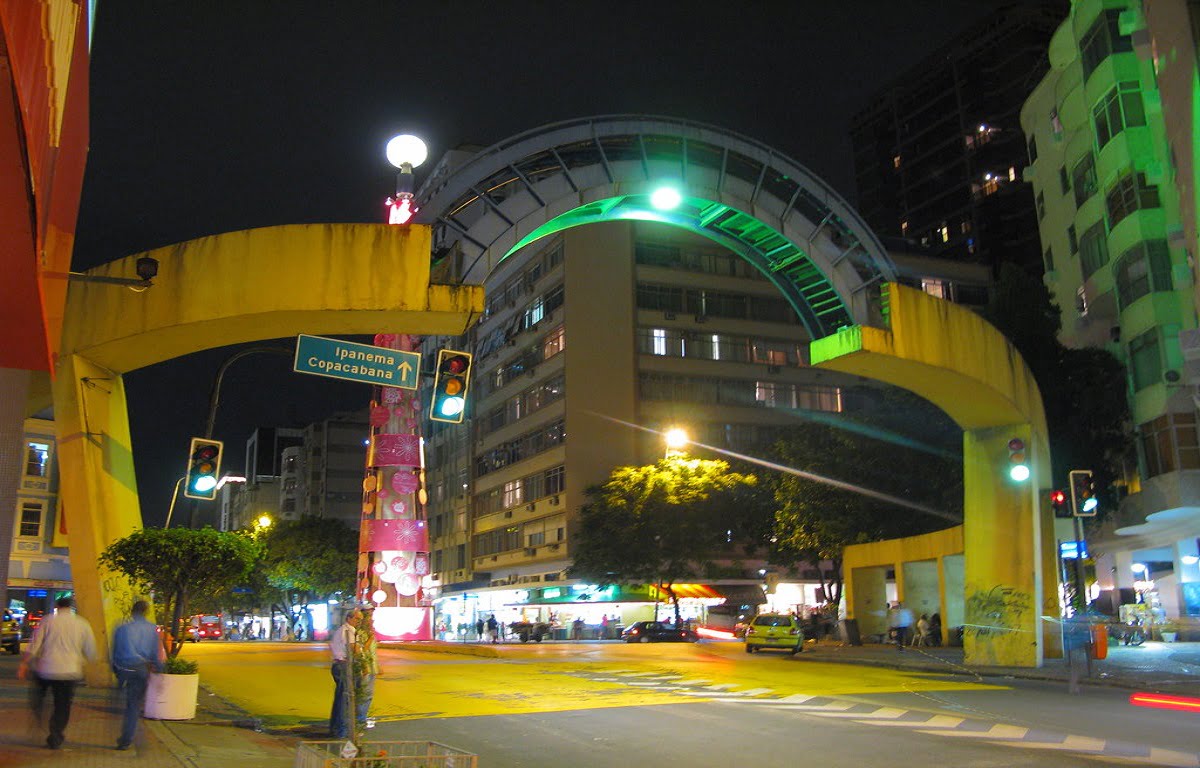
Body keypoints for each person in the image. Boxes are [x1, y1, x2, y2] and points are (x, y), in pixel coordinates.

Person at [18, 595, 97, 750]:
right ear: (71, 607)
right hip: (69, 672)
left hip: (46, 669)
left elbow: (34, 645)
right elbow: (91, 651)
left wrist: (24, 664)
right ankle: (55, 734)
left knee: (38, 695)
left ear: (57, 606)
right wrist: (86, 662)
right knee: (63, 706)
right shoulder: (82, 624)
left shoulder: (47, 621)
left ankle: (39, 716)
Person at [110, 600, 165, 750]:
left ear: (132, 612)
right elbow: (155, 653)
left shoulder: (121, 628)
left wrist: (114, 669)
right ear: (146, 612)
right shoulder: (152, 629)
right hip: (141, 670)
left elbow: (114, 652)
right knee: (133, 705)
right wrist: (159, 670)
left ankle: (119, 733)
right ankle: (126, 739)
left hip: (123, 669)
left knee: (119, 701)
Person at [328, 609, 359, 739]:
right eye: (357, 618)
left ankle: (336, 728)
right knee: (344, 699)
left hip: (338, 664)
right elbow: (354, 650)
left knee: (340, 698)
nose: (358, 622)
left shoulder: (341, 630)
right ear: (349, 618)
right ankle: (341, 730)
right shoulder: (348, 631)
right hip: (343, 665)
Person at [353, 606, 379, 730]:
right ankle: (359, 719)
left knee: (368, 694)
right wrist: (370, 639)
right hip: (365, 668)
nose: (372, 620)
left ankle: (362, 717)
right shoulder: (360, 633)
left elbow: (372, 652)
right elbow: (360, 650)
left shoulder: (370, 633)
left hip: (372, 667)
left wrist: (377, 666)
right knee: (364, 694)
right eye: (369, 617)